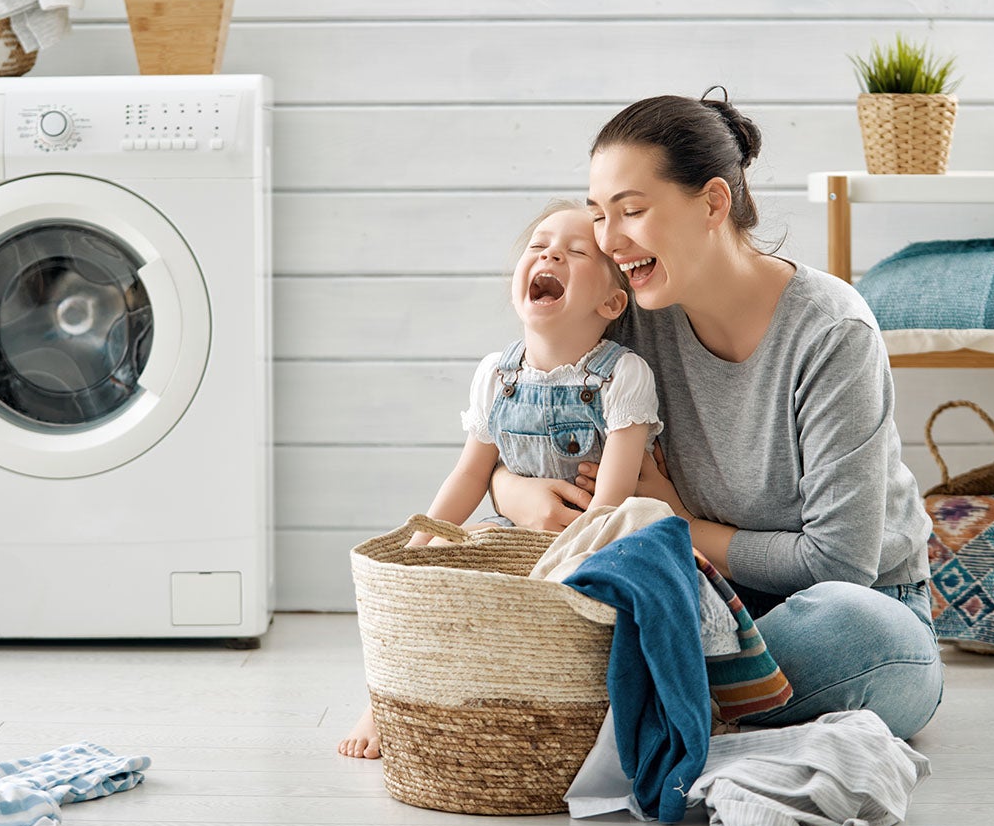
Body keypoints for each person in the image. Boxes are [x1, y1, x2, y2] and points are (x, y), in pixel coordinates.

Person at [491, 89, 943, 741]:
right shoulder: (631, 314)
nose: (609, 240)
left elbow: (838, 567)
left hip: (828, 615)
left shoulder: (831, 332)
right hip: (684, 601)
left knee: (857, 628)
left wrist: (678, 524)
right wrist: (517, 493)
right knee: (522, 558)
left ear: (712, 203)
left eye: (632, 211)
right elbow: (512, 415)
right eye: (598, 215)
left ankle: (634, 700)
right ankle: (685, 700)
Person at [338, 200, 663, 759]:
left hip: (588, 541)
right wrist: (423, 541)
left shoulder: (623, 376)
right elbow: (471, 472)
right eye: (538, 246)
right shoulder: (497, 374)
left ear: (612, 302)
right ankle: (387, 698)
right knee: (439, 583)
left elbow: (610, 505)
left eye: (576, 251)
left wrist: (565, 559)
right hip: (511, 531)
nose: (550, 253)